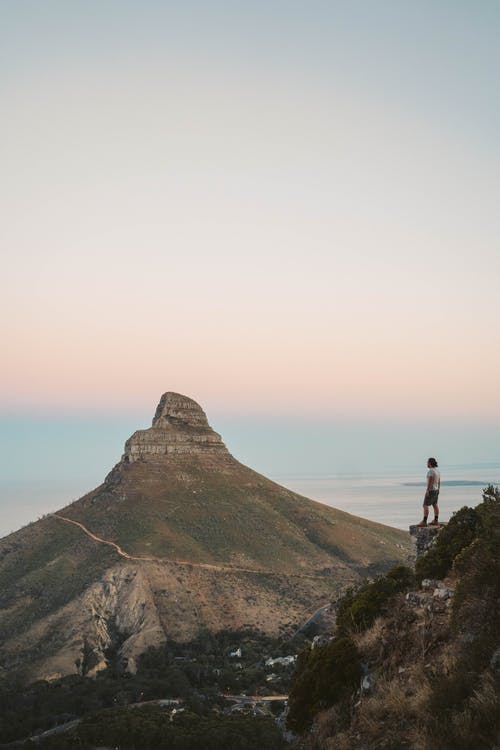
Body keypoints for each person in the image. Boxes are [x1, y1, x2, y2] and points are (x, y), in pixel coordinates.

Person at [417, 457, 440, 526]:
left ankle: (424, 521)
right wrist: (438, 489)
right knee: (435, 504)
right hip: (436, 490)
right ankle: (436, 520)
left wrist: (428, 490)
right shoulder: (437, 471)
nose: (426, 463)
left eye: (427, 462)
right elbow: (439, 481)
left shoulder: (431, 471)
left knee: (425, 505)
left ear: (430, 463)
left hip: (431, 490)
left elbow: (430, 481)